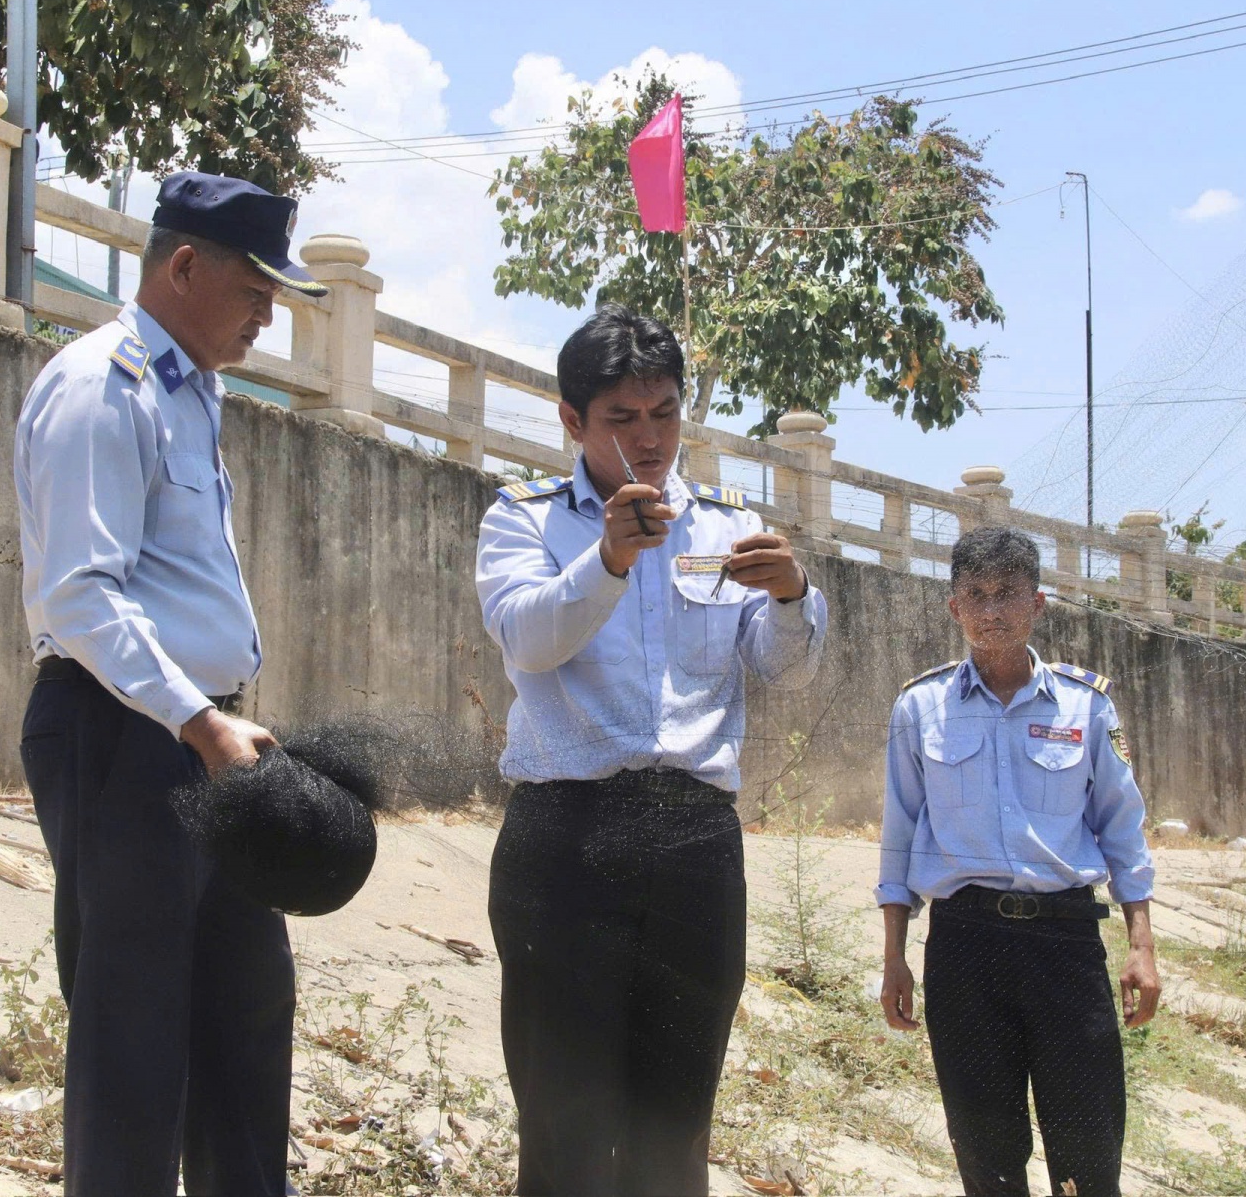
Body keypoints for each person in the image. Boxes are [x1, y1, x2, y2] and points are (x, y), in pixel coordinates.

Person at [13, 171, 327, 1196]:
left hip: (206, 742)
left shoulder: (198, 395)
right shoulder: (103, 386)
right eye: (254, 287)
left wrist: (221, 721)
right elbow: (83, 595)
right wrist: (199, 720)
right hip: (127, 739)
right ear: (184, 266)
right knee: (134, 1040)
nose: (266, 314)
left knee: (244, 1018)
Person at [475, 304, 829, 1195]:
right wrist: (608, 560)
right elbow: (526, 639)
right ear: (571, 421)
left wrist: (793, 598)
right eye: (621, 419)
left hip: (695, 844)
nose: (648, 439)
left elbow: (777, 668)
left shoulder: (724, 526)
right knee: (563, 1122)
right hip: (565, 834)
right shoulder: (524, 519)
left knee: (675, 1125)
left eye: (664, 413)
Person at [876, 526, 1159, 1197]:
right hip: (965, 947)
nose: (990, 611)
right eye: (974, 594)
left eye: (1006, 593)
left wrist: (1142, 945)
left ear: (1038, 603)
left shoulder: (1085, 707)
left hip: (1064, 944)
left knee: (1089, 1153)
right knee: (987, 1156)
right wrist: (894, 956)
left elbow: (1123, 831)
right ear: (953, 608)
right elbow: (899, 836)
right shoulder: (920, 710)